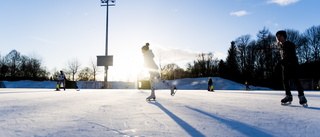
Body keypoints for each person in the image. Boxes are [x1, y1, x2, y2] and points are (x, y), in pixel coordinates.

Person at [275, 30, 307, 106]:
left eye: (280, 36)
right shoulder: (281, 46)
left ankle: (301, 96)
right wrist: (282, 63)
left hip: (292, 65)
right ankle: (288, 96)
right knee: (285, 81)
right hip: (285, 66)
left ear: (284, 37)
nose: (278, 38)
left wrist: (281, 62)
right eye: (277, 37)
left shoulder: (289, 44)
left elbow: (290, 55)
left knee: (296, 81)